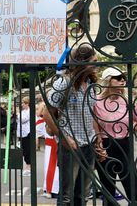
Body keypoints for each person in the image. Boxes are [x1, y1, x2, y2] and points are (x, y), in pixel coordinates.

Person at [42, 45, 98, 205]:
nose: (96, 64)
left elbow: (91, 112)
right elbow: (47, 113)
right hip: (71, 146)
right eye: (93, 61)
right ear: (81, 62)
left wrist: (97, 136)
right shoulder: (65, 82)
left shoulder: (90, 84)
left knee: (83, 195)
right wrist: (64, 137)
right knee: (67, 196)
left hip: (89, 144)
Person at [94, 67, 137, 205]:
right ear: (108, 80)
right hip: (105, 145)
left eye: (123, 78)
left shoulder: (128, 100)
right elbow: (94, 126)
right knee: (108, 190)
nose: (122, 81)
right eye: (118, 78)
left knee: (132, 188)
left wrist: (129, 129)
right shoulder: (96, 101)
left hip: (125, 144)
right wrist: (99, 146)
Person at [17, 96, 31, 176]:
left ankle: (28, 168)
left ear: (27, 104)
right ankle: (27, 167)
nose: (22, 104)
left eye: (23, 103)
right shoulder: (23, 111)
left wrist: (18, 114)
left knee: (27, 151)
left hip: (27, 133)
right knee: (24, 150)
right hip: (22, 133)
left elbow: (23, 119)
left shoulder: (29, 111)